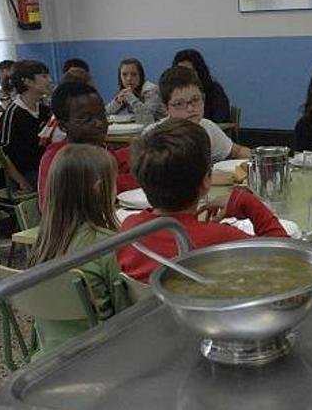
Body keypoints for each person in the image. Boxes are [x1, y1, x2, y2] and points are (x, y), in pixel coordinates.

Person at [117, 119, 287, 282]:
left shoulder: (129, 230)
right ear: (207, 180)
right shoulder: (222, 241)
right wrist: (248, 202)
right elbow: (289, 261)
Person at [27, 144, 121, 353]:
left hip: (46, 359)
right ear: (99, 189)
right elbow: (128, 314)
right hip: (100, 359)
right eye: (114, 182)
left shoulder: (43, 242)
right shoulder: (108, 245)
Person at [37, 82, 138, 209]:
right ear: (63, 126)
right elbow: (52, 208)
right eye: (86, 119)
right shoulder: (57, 159)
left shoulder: (103, 149)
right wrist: (113, 184)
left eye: (102, 114)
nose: (99, 123)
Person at [145, 66, 251, 162]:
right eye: (179, 104)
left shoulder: (207, 127)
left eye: (195, 99)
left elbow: (236, 151)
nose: (190, 109)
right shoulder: (153, 136)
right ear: (166, 108)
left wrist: (257, 159)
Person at [0, 60, 53, 190]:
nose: (50, 80)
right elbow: (1, 153)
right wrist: (21, 181)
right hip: (26, 174)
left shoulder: (45, 110)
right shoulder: (13, 114)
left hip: (45, 168)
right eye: (44, 76)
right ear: (27, 81)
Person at [172, 49, 231, 123]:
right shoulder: (174, 92)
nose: (184, 75)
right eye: (180, 71)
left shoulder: (214, 90)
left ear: (199, 71)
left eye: (188, 71)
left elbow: (221, 119)